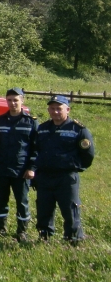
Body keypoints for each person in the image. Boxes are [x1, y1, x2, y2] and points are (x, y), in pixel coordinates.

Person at [34, 95, 94, 243]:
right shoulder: (42, 129)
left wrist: (73, 166)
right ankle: (44, 237)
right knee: (44, 209)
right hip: (45, 177)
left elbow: (88, 154)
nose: (55, 112)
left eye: (59, 109)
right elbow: (35, 150)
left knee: (70, 209)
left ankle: (73, 239)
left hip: (66, 177)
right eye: (52, 108)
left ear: (68, 109)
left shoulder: (78, 129)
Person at [0, 88, 38, 241]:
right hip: (2, 168)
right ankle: (0, 228)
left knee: (22, 201)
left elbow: (36, 148)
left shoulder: (31, 122)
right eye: (9, 100)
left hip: (21, 170)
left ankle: (22, 231)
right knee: (1, 199)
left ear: (22, 100)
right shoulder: (0, 120)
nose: (13, 103)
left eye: (16, 100)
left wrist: (31, 168)